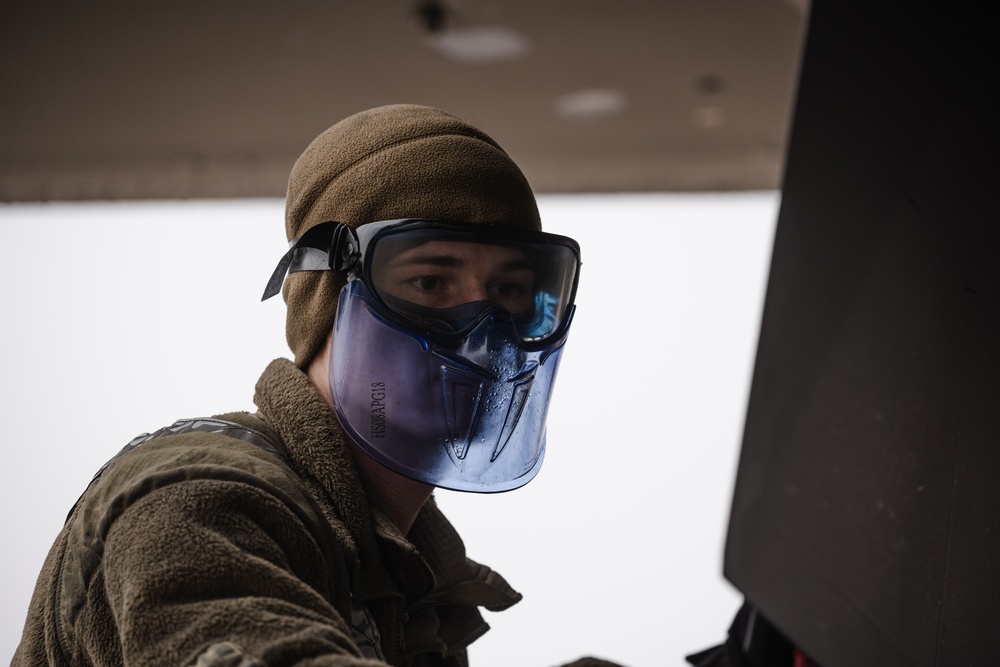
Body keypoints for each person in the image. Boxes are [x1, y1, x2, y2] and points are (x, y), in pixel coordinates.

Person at [12, 105, 619, 667]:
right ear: (329, 299)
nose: (483, 334)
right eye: (431, 282)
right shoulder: (199, 499)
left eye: (511, 292)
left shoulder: (411, 577)